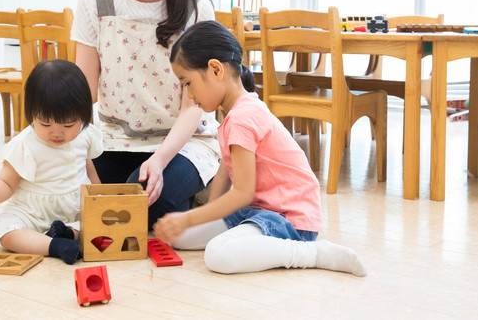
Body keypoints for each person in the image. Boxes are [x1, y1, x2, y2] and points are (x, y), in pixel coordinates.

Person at [154, 21, 367, 276]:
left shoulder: (243, 117)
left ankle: (314, 253)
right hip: (259, 210)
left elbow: (242, 193)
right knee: (180, 237)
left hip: (289, 218)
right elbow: (224, 172)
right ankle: (247, 238)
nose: (187, 93)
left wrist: (189, 218)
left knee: (218, 254)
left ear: (215, 70)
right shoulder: (235, 112)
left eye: (187, 83)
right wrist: (203, 217)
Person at [72, 0, 220, 227]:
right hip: (114, 138)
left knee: (146, 204)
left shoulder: (195, 7)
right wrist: (61, 143)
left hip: (183, 142)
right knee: (79, 200)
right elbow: (84, 90)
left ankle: (205, 190)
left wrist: (161, 157)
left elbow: (194, 106)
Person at [0, 59, 102, 265]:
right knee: (4, 231)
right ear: (31, 115)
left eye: (68, 124)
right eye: (45, 123)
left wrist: (99, 197)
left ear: (83, 116)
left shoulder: (85, 135)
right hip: (32, 213)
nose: (57, 132)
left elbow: (88, 167)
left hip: (75, 209)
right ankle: (55, 245)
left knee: (100, 225)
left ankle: (67, 233)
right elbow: (8, 183)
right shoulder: (24, 144)